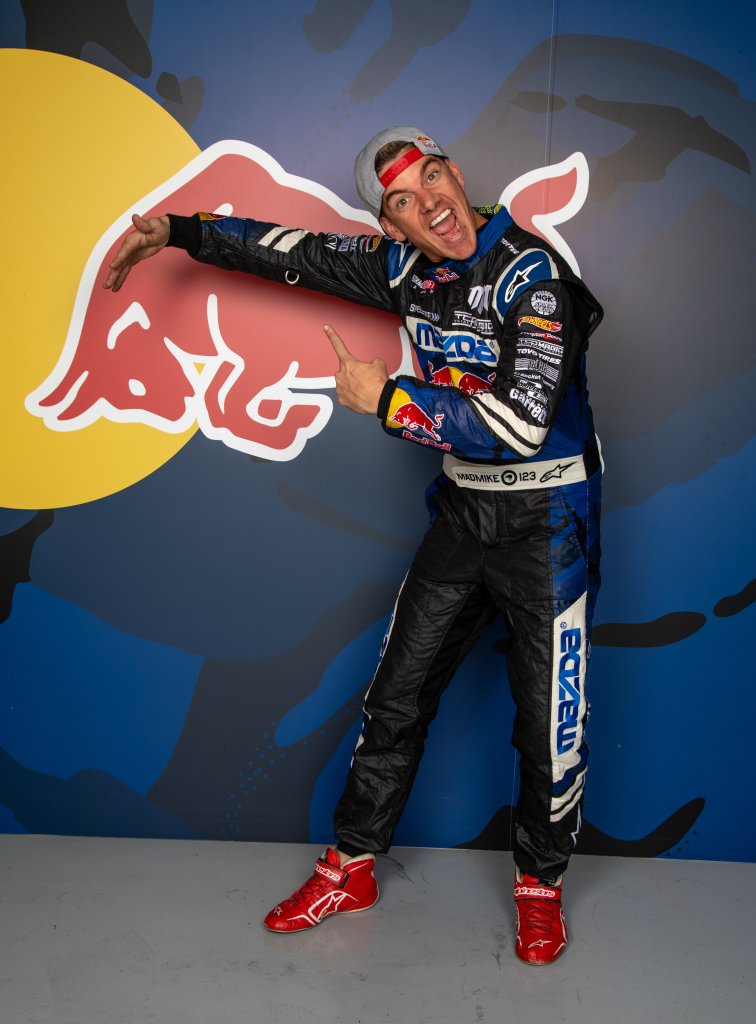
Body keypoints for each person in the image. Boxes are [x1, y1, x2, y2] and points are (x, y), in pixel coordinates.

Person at [105, 126, 603, 966]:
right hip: (463, 517)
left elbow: (522, 425)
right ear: (392, 225)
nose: (429, 203)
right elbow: (291, 252)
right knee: (395, 700)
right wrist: (180, 232)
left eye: (433, 178)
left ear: (457, 174)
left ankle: (540, 886)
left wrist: (389, 401)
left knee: (547, 727)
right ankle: (352, 867)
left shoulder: (534, 275)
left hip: (548, 521)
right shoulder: (403, 268)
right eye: (402, 201)